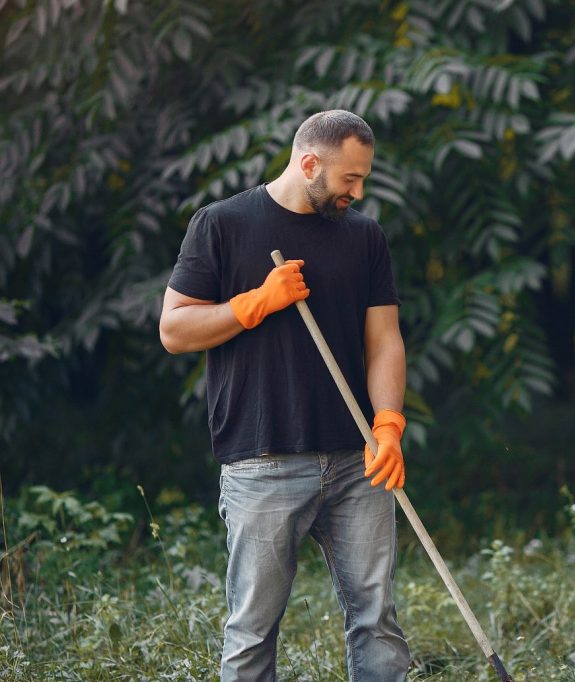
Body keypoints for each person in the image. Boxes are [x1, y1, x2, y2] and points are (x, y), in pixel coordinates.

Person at [159, 110, 411, 681]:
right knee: (253, 629)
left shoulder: (364, 236)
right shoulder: (222, 224)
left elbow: (385, 340)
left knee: (378, 620)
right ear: (309, 163)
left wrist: (389, 422)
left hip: (357, 461)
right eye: (349, 178)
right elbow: (174, 330)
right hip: (262, 459)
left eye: (364, 178)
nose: (359, 191)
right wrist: (254, 304)